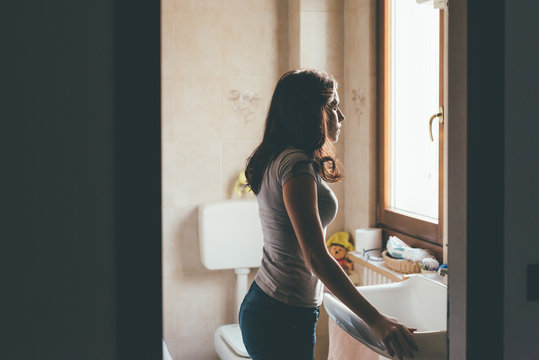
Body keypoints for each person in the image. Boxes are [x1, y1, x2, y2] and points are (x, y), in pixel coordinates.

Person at [239, 69, 418, 360]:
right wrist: (377, 321)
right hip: (281, 315)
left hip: (275, 307)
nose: (341, 116)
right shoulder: (296, 165)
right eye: (333, 106)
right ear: (311, 112)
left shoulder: (283, 156)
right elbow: (316, 257)